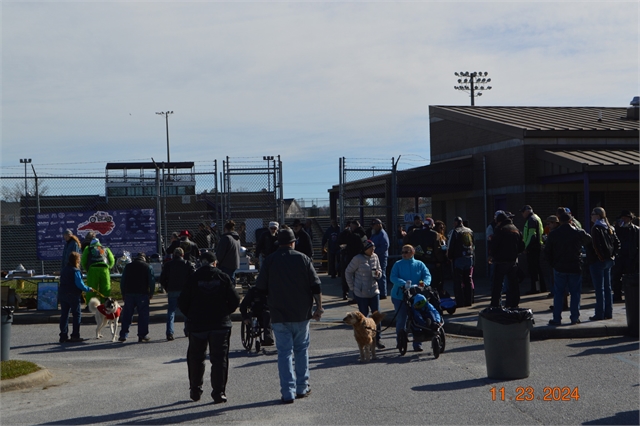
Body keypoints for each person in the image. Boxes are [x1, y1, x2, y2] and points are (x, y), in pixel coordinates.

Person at [254, 228, 323, 404]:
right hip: (301, 313)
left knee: (284, 353)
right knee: (301, 350)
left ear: (279, 243)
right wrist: (319, 308)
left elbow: (260, 288)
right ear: (293, 243)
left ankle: (288, 392)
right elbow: (316, 286)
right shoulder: (303, 259)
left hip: (278, 313)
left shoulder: (270, 260)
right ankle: (302, 387)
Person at [178, 251, 240, 404]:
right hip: (220, 323)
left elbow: (182, 302)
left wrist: (191, 314)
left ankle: (195, 389)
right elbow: (235, 300)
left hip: (197, 324)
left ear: (201, 263)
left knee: (195, 358)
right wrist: (225, 312)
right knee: (219, 359)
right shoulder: (223, 277)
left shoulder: (193, 278)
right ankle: (219, 392)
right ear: (215, 263)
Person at [545, 213, 592, 326]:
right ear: (571, 220)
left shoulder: (554, 234)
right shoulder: (577, 232)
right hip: (575, 266)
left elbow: (547, 251)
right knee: (575, 293)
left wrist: (553, 263)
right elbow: (589, 240)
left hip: (560, 266)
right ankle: (574, 318)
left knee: (558, 293)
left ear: (559, 221)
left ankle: (557, 318)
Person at [390, 244, 431, 352]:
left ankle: (417, 343)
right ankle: (400, 341)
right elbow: (393, 277)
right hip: (399, 296)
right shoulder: (397, 264)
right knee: (402, 319)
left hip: (415, 296)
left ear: (413, 252)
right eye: (402, 252)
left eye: (406, 252)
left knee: (417, 318)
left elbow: (427, 275)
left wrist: (424, 284)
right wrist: (404, 284)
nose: (404, 254)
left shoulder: (419, 264)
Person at [345, 240, 384, 349]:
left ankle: (377, 339)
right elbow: (348, 272)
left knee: (376, 317)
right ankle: (364, 339)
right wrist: (352, 288)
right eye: (371, 248)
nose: (373, 250)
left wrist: (378, 274)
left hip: (374, 290)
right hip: (361, 292)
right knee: (363, 317)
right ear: (365, 249)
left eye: (374, 248)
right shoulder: (357, 258)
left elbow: (380, 271)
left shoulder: (375, 257)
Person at [586, 207, 620, 321]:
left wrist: (600, 257)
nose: (591, 216)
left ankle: (599, 313)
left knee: (599, 289)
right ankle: (608, 312)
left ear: (598, 216)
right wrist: (613, 255)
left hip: (599, 262)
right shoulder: (609, 227)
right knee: (607, 288)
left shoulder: (596, 228)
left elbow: (596, 245)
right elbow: (617, 243)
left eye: (592, 214)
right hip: (609, 261)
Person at [489, 212, 525, 308]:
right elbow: (522, 246)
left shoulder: (500, 229)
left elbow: (494, 245)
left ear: (499, 221)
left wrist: (492, 255)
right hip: (513, 261)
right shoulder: (515, 229)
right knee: (513, 285)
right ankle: (513, 304)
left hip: (500, 261)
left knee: (497, 285)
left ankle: (496, 305)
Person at [118, 253, 155, 342]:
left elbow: (122, 281)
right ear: (144, 259)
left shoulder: (128, 266)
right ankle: (142, 335)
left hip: (129, 293)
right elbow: (152, 281)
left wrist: (123, 293)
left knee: (127, 315)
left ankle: (123, 334)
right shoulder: (147, 267)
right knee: (143, 315)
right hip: (142, 294)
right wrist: (151, 293)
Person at [160, 247, 195, 341]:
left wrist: (167, 287)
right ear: (182, 255)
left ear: (173, 255)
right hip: (184, 290)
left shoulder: (168, 265)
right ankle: (187, 329)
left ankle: (170, 332)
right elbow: (193, 277)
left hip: (172, 289)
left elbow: (162, 278)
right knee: (186, 311)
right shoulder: (187, 264)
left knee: (171, 312)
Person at [59, 252, 94, 343]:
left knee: (64, 315)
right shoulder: (76, 271)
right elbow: (79, 284)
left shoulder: (64, 269)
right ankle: (75, 335)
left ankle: (63, 335)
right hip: (73, 294)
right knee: (76, 315)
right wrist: (88, 289)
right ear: (76, 260)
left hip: (63, 293)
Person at [408, 217, 444, 295]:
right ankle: (430, 297)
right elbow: (437, 250)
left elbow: (407, 243)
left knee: (419, 281)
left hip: (417, 261)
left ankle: (419, 296)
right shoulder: (434, 234)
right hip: (431, 262)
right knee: (431, 282)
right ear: (432, 225)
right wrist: (439, 260)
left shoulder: (414, 232)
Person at [612, 210, 639, 302]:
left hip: (631, 257)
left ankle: (631, 295)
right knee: (616, 277)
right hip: (619, 257)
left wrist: (636, 257)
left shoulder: (636, 230)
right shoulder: (617, 229)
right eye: (622, 218)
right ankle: (617, 295)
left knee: (630, 277)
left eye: (626, 218)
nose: (624, 219)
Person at [447, 217, 474, 307]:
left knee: (458, 281)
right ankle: (469, 300)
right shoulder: (469, 230)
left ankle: (460, 301)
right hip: (469, 257)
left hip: (458, 258)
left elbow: (451, 245)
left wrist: (450, 257)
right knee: (468, 280)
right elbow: (473, 244)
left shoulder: (455, 232)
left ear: (455, 223)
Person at [521, 205, 547, 294]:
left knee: (533, 269)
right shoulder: (536, 218)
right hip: (537, 246)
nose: (522, 214)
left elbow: (532, 235)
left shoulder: (531, 220)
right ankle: (542, 287)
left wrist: (526, 247)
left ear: (527, 211)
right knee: (537, 268)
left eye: (523, 212)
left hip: (533, 247)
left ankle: (535, 288)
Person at [81, 238, 115, 303]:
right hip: (104, 269)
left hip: (92, 269)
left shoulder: (88, 249)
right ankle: (105, 304)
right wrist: (109, 267)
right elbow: (112, 260)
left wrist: (87, 269)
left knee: (91, 288)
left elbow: (83, 261)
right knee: (105, 288)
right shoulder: (106, 249)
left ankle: (90, 305)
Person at [370, 218, 390, 299]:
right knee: (374, 274)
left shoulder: (382, 234)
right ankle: (376, 290)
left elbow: (385, 246)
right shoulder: (375, 234)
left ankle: (383, 293)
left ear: (378, 225)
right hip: (374, 257)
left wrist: (375, 252)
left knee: (381, 274)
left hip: (381, 257)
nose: (373, 227)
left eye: (374, 225)